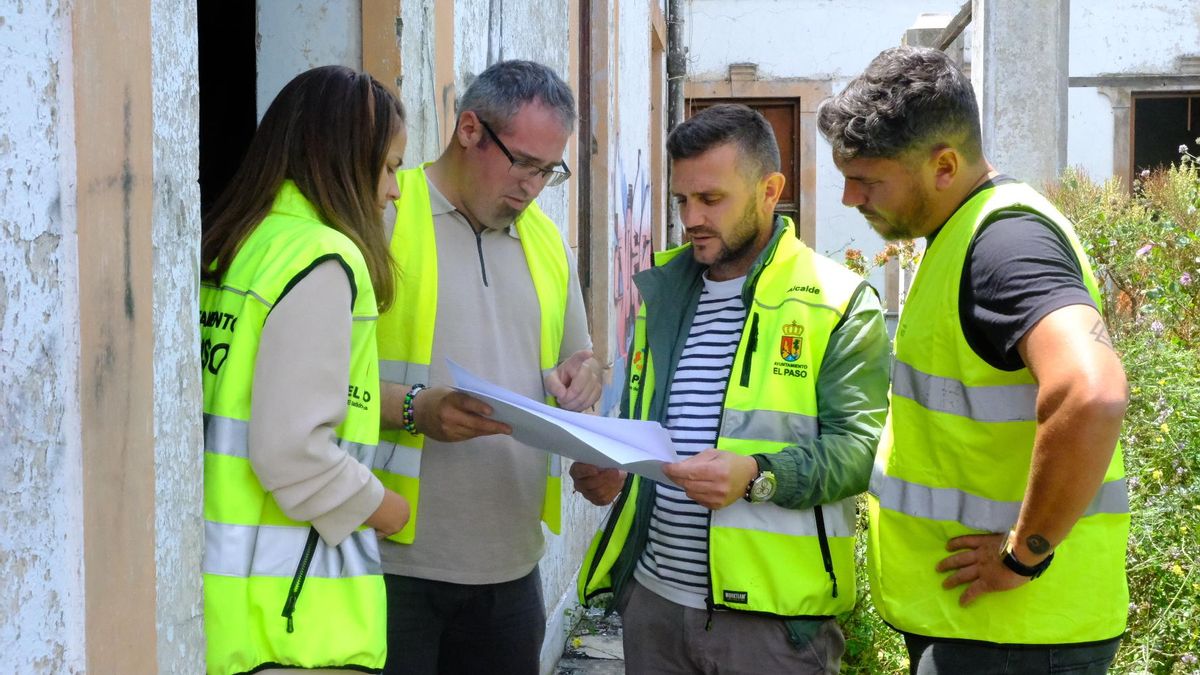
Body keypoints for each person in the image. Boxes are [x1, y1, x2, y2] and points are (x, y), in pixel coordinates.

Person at [818, 46, 1130, 673]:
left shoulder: (1003, 246)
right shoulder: (964, 233)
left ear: (944, 165)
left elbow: (1092, 391)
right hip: (984, 628)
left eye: (869, 179)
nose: (850, 198)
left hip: (1015, 637)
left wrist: (1025, 553)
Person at [572, 104, 891, 674]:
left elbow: (861, 452)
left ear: (770, 190)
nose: (691, 217)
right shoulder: (662, 296)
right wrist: (612, 468)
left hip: (772, 631)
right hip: (655, 607)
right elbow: (651, 432)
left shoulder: (839, 301)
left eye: (711, 199)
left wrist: (759, 474)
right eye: (681, 201)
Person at [371, 59, 601, 675]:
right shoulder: (385, 218)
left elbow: (576, 366)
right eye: (522, 163)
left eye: (549, 170)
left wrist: (588, 382)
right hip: (389, 568)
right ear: (469, 129)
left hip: (513, 572)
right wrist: (416, 409)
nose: (532, 186)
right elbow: (312, 388)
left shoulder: (548, 242)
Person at [199, 66, 411, 675]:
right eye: (392, 166)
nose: (395, 190)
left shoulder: (235, 245)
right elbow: (291, 450)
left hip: (227, 607)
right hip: (293, 624)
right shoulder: (322, 258)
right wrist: (383, 507)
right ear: (345, 158)